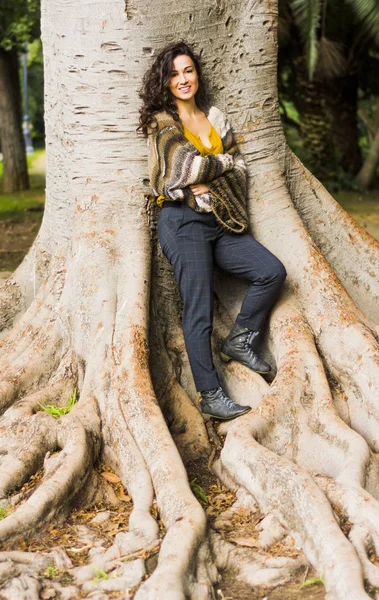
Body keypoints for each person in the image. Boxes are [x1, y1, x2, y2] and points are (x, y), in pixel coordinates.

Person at [139, 41, 286, 421]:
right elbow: (178, 172)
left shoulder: (215, 118)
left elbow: (239, 171)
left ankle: (240, 339)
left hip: (220, 222)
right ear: (165, 81)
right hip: (182, 223)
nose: (182, 79)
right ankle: (210, 395)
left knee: (271, 271)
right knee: (199, 308)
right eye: (174, 74)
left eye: (188, 71)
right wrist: (215, 167)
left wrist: (211, 172)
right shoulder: (162, 123)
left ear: (197, 75)